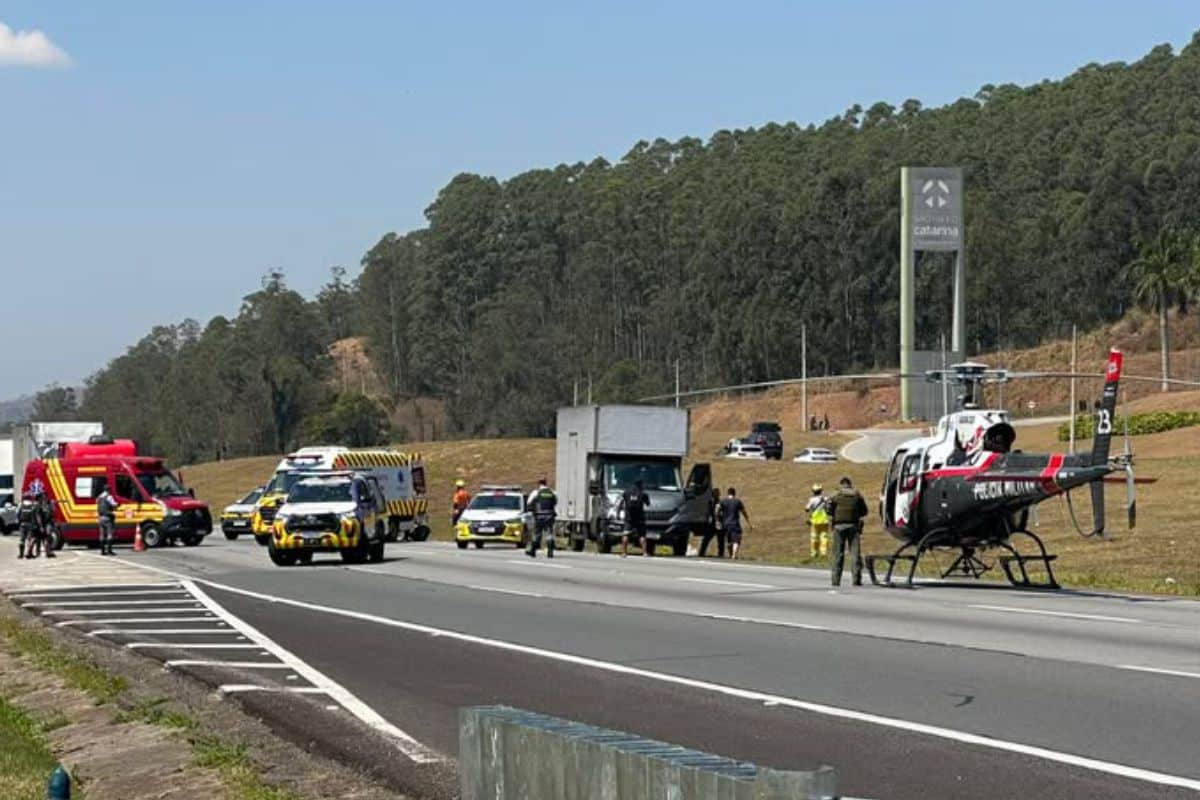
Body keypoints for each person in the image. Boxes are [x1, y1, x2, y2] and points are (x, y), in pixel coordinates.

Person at [826, 476, 868, 587]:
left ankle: (836, 580)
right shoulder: (857, 495)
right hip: (853, 527)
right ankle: (856, 579)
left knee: (838, 555)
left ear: (841, 484)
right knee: (855, 554)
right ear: (850, 484)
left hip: (838, 527)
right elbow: (864, 511)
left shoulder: (836, 495)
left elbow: (828, 510)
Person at [526, 478, 558, 559]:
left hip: (539, 516)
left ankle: (533, 551)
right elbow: (555, 502)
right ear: (546, 483)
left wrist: (532, 509)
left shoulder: (536, 492)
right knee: (550, 534)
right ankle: (550, 552)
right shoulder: (552, 492)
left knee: (537, 534)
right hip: (550, 516)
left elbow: (529, 503)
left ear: (539, 484)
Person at [619, 480, 650, 557]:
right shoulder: (643, 494)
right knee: (642, 535)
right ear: (641, 485)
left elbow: (622, 502)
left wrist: (619, 511)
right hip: (640, 518)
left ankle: (624, 552)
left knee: (626, 534)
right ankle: (644, 553)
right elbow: (648, 504)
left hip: (628, 518)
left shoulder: (626, 492)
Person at [719, 487, 751, 560]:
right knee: (736, 540)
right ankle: (734, 555)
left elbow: (717, 510)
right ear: (734, 493)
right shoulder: (737, 501)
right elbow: (744, 512)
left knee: (729, 541)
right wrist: (748, 522)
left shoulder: (723, 501)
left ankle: (731, 555)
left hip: (726, 524)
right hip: (735, 523)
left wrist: (718, 520)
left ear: (728, 493)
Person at [698, 487, 725, 558]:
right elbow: (709, 512)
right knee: (707, 539)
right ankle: (701, 553)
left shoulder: (718, 502)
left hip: (717, 523)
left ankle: (720, 554)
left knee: (720, 540)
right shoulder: (711, 502)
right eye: (718, 493)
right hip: (714, 523)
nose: (719, 494)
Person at [805, 483, 830, 559]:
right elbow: (829, 507)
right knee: (824, 538)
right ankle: (823, 553)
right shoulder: (825, 499)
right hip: (824, 520)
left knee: (814, 538)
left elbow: (807, 509)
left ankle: (814, 553)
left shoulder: (812, 500)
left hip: (815, 521)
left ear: (813, 491)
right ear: (821, 490)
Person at [96, 484, 120, 556]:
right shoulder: (109, 497)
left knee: (102, 535)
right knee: (110, 534)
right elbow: (114, 504)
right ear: (108, 490)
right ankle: (109, 550)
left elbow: (97, 503)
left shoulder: (99, 497)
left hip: (100, 518)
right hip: (107, 517)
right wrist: (118, 505)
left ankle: (102, 551)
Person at [17, 491, 39, 559]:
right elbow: (36, 515)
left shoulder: (21, 504)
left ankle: (21, 554)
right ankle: (29, 553)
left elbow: (17, 514)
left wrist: (19, 521)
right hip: (31, 524)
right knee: (30, 539)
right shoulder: (33, 505)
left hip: (22, 524)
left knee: (21, 540)